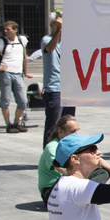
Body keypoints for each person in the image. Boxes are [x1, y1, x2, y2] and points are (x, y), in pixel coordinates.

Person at [0, 22, 31, 133]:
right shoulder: (1, 42)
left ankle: (17, 122)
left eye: (7, 29)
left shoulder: (22, 40)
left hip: (18, 73)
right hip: (6, 73)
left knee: (23, 101)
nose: (5, 31)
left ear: (15, 29)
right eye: (4, 29)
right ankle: (8, 124)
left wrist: (25, 72)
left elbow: (24, 57)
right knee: (5, 100)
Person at [40, 16, 75, 145]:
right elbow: (49, 48)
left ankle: (64, 154)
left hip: (69, 88)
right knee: (53, 126)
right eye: (58, 25)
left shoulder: (68, 42)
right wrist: (59, 31)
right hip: (54, 88)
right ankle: (48, 158)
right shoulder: (47, 39)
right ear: (51, 25)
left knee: (69, 125)